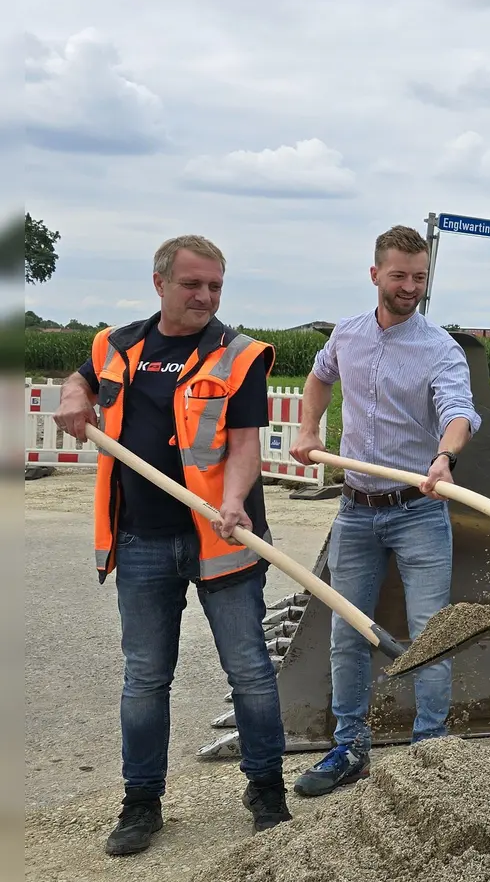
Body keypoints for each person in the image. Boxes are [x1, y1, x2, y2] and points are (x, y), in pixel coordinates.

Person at [53, 234, 291, 855]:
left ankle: (267, 789)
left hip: (222, 536)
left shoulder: (236, 355)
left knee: (251, 673)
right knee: (145, 677)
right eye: (193, 285)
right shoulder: (118, 344)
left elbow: (243, 445)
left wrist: (234, 501)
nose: (205, 296)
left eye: (215, 285)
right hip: (141, 540)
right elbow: (78, 383)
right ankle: (141, 804)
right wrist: (74, 399)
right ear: (159, 283)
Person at [288, 225, 481, 797]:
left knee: (431, 635)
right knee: (347, 632)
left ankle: (430, 750)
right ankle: (350, 748)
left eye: (419, 277)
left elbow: (459, 412)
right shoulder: (347, 337)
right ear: (375, 275)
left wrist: (445, 458)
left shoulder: (439, 347)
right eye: (399, 276)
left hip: (419, 509)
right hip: (355, 509)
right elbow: (320, 378)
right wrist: (307, 427)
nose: (410, 287)